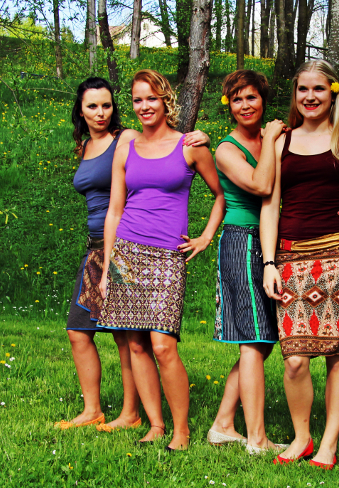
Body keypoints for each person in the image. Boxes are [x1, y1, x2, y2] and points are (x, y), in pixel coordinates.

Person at [56, 77, 209, 432]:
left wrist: (202, 137)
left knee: (126, 335)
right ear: (80, 110)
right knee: (82, 330)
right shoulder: (85, 146)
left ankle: (130, 412)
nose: (100, 112)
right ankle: (94, 409)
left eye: (106, 105)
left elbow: (161, 147)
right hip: (98, 245)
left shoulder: (125, 138)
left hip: (125, 243)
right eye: (92, 106)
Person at [261, 60, 339, 469]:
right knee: (295, 359)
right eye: (302, 89)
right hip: (290, 259)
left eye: (318, 89)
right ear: (295, 94)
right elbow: (270, 204)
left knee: (337, 353)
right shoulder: (282, 141)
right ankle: (302, 438)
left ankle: (328, 443)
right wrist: (269, 262)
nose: (310, 97)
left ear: (332, 92)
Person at [98, 69, 225, 451]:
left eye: (151, 98)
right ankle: (154, 424)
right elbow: (114, 210)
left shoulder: (190, 145)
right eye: (137, 100)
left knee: (163, 345)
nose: (144, 106)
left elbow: (221, 195)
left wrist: (206, 236)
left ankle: (180, 430)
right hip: (126, 251)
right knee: (135, 343)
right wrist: (105, 269)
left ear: (165, 100)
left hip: (167, 255)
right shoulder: (126, 146)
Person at [206, 70, 287, 454]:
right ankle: (256, 438)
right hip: (242, 241)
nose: (244, 105)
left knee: (263, 342)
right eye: (236, 99)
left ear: (263, 100)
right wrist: (271, 139)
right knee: (253, 342)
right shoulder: (226, 149)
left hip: (272, 243)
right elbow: (260, 185)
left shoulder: (274, 138)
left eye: (251, 97)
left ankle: (223, 424)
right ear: (229, 105)